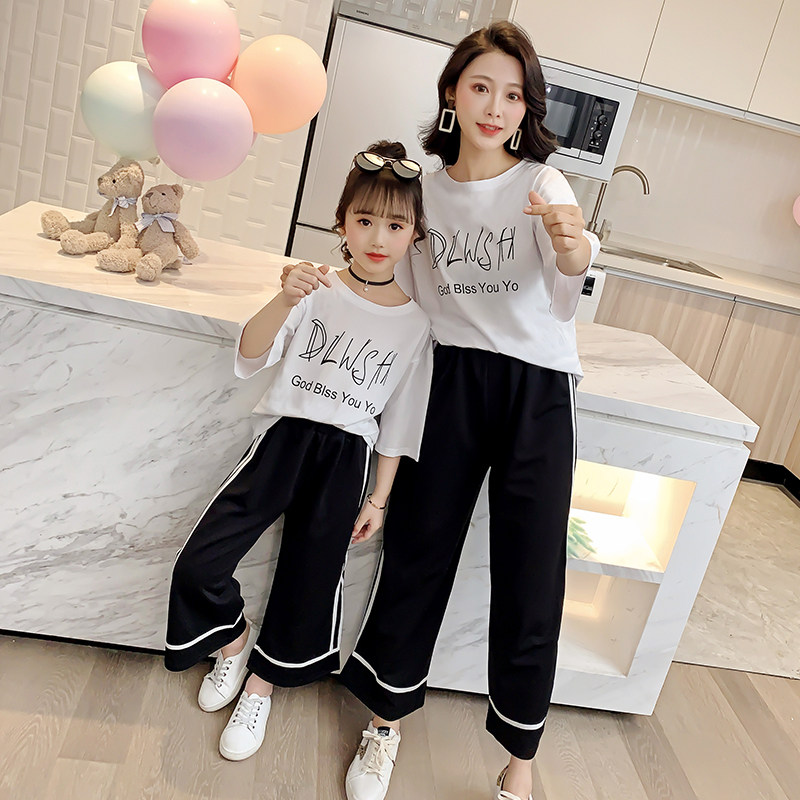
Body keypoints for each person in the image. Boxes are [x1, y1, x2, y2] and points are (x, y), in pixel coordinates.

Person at [336, 22, 600, 800]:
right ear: (453, 91)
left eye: (513, 95)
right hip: (447, 379)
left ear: (527, 108)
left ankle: (520, 760)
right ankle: (384, 720)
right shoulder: (423, 192)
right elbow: (402, 291)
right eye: (481, 87)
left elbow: (566, 285)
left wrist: (576, 249)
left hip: (536, 389)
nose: (494, 107)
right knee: (417, 550)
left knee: (531, 572)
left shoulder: (544, 184)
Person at [164, 141, 433, 763]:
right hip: (285, 439)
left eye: (395, 225)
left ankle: (261, 687)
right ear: (342, 223)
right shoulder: (313, 288)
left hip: (348, 459)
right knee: (200, 562)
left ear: (415, 233)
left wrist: (380, 499)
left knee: (310, 582)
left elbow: (399, 422)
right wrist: (284, 297)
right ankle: (233, 644)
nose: (378, 237)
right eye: (364, 219)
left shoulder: (417, 325)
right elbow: (251, 353)